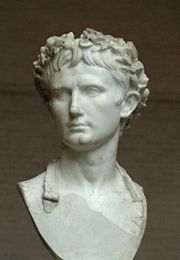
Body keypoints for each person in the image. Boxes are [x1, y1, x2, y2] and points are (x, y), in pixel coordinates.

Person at [18, 28, 149, 260]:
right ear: (50, 105)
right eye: (61, 94)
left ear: (127, 103)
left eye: (92, 90)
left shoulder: (135, 199)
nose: (75, 108)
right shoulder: (34, 193)